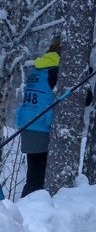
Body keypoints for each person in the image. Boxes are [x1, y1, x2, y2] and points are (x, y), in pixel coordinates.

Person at [15, 38, 61, 198]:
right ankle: (27, 209)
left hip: (28, 123)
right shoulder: (56, 71)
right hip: (42, 126)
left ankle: (26, 207)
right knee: (37, 179)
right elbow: (87, 99)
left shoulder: (38, 68)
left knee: (34, 175)